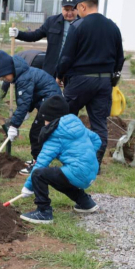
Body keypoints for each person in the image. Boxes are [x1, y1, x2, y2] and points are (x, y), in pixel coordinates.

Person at [56, 0, 124, 172]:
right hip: (103, 82)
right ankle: (95, 165)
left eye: (78, 8)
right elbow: (120, 58)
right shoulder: (113, 27)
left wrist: (59, 75)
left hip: (80, 81)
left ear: (83, 6)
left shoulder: (78, 26)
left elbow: (66, 57)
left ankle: (70, 160)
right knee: (99, 124)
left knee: (67, 119)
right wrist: (112, 79)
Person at [19, 96, 101, 224]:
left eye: (44, 119)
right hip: (91, 170)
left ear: (49, 119)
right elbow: (97, 139)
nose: (43, 122)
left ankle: (43, 212)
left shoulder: (55, 136)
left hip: (78, 172)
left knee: (39, 174)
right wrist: (87, 156)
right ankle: (86, 203)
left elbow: (40, 164)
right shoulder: (75, 123)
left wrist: (28, 187)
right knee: (61, 178)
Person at [0, 50, 62, 175]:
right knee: (40, 132)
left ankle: (38, 165)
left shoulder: (23, 78)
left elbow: (23, 103)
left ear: (10, 70)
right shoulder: (23, 74)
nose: (6, 80)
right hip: (48, 102)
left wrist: (14, 125)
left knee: (36, 133)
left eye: (4, 77)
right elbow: (29, 97)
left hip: (51, 104)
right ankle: (39, 160)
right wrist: (27, 111)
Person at [9, 0, 78, 77]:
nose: (69, 13)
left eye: (72, 9)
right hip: (52, 69)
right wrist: (18, 34)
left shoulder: (83, 24)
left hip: (73, 70)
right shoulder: (52, 22)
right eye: (66, 10)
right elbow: (35, 35)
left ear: (77, 8)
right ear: (62, 9)